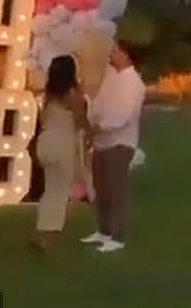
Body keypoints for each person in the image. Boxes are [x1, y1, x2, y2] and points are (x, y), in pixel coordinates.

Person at [80, 39, 145, 253]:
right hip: (102, 142)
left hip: (120, 142)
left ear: (127, 56)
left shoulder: (133, 83)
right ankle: (103, 230)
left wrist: (103, 127)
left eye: (116, 51)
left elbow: (123, 115)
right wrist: (92, 120)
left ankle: (117, 236)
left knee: (116, 190)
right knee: (102, 189)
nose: (112, 54)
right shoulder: (111, 78)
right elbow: (99, 104)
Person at [31, 54, 91, 252]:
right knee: (58, 192)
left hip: (46, 142)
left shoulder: (48, 96)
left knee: (50, 190)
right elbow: (81, 120)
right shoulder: (72, 95)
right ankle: (49, 239)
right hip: (62, 144)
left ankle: (43, 233)